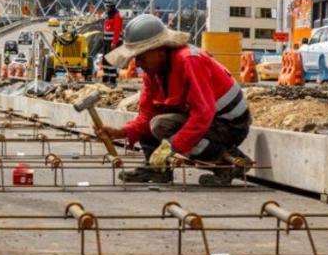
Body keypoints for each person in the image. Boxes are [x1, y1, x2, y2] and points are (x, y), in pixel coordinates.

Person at [98, 15, 253, 186]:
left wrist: (171, 147)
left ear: (161, 50)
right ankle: (157, 170)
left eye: (141, 56)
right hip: (209, 121)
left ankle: (228, 164)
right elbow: (146, 115)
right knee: (153, 123)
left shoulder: (189, 61)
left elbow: (202, 114)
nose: (138, 63)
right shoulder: (154, 71)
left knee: (161, 125)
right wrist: (121, 132)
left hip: (230, 125)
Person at [101, 0, 123, 86]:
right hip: (106, 41)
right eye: (107, 6)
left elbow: (117, 31)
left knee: (112, 60)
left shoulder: (117, 15)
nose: (107, 8)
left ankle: (112, 79)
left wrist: (114, 42)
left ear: (113, 6)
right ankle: (105, 78)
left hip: (113, 42)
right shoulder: (107, 15)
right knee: (105, 60)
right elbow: (105, 27)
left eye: (109, 6)